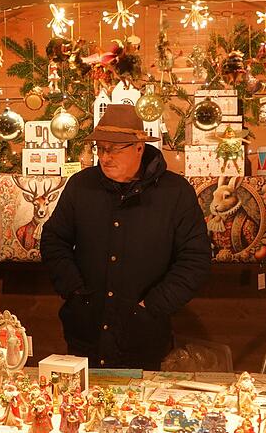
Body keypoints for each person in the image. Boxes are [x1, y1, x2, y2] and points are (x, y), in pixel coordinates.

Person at [40, 104, 210, 369]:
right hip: (85, 333)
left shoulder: (175, 192)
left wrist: (152, 305)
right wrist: (75, 290)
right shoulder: (81, 186)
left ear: (139, 147)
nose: (105, 157)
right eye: (100, 148)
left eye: (114, 148)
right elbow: (53, 240)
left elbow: (195, 259)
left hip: (144, 336)